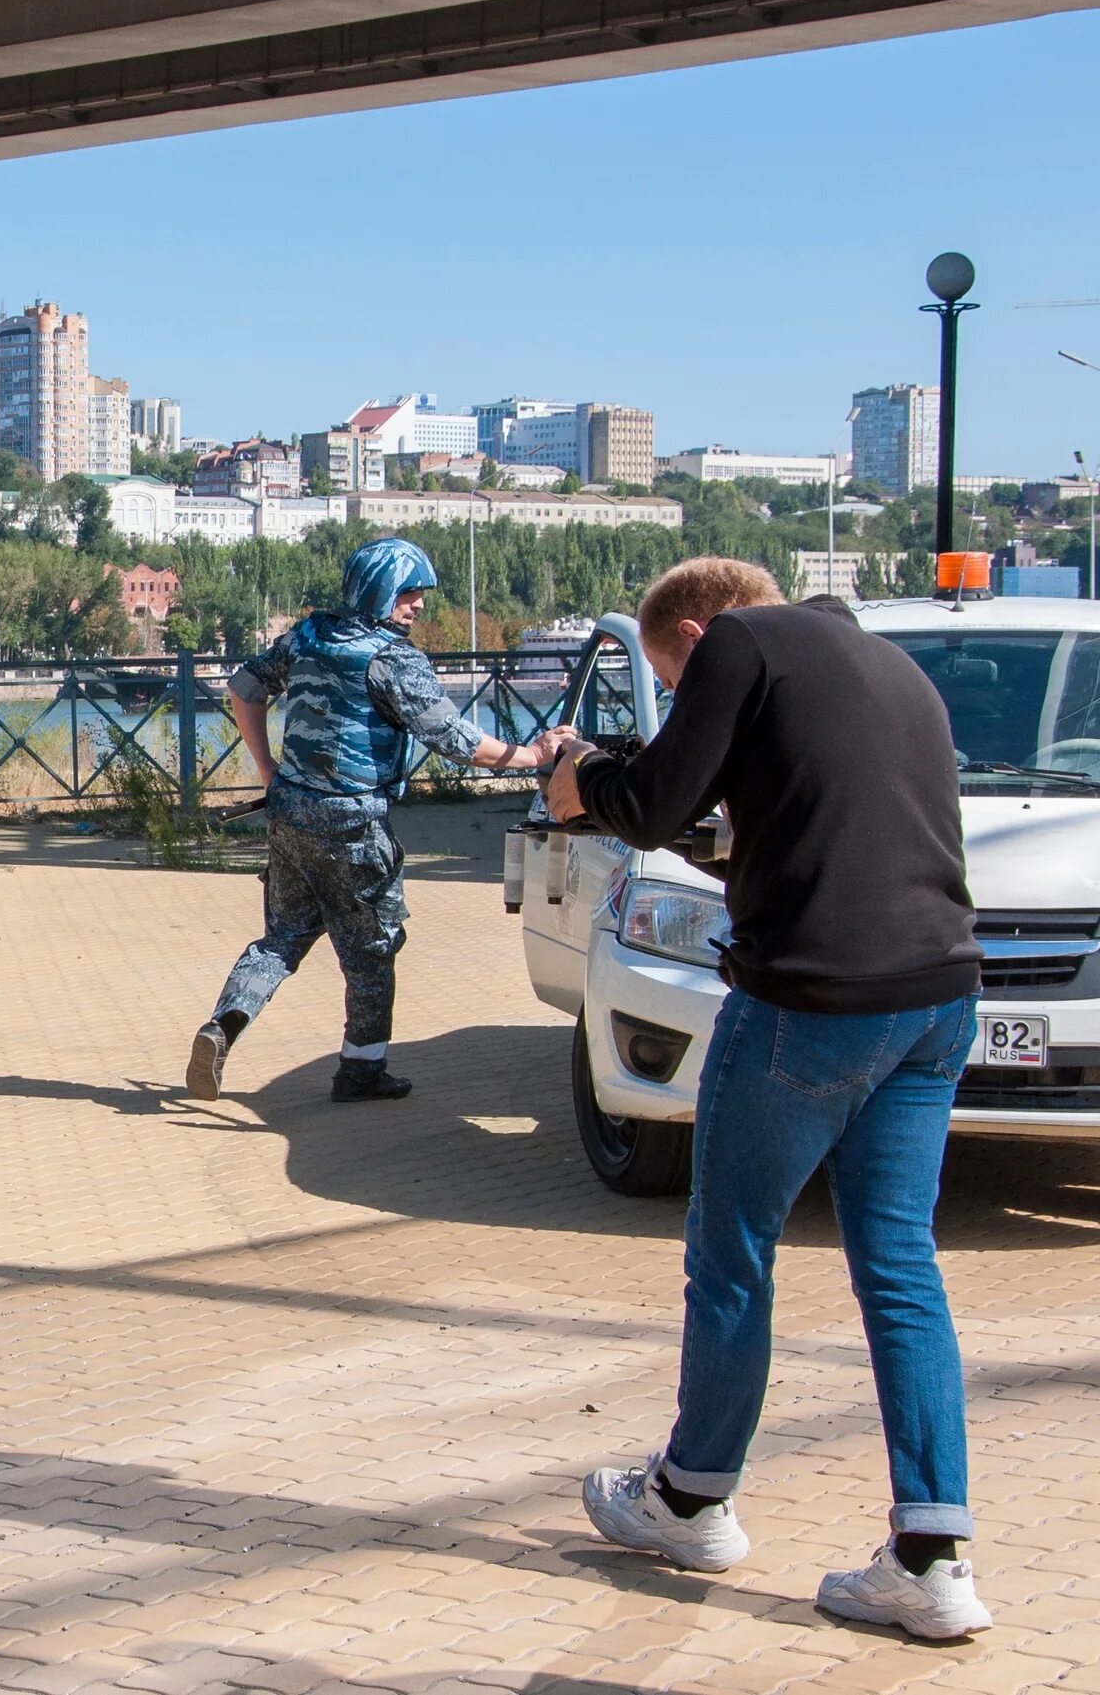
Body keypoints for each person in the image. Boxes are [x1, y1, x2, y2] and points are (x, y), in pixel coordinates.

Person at [551, 558, 990, 1640]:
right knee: (897, 1265)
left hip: (809, 999)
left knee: (733, 1248)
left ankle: (691, 1498)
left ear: (694, 638)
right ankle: (931, 1562)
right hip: (936, 996)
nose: (687, 693)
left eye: (672, 677)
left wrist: (583, 778)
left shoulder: (737, 647)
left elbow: (653, 806)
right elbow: (785, 814)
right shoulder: (889, 664)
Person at [186, 537, 570, 1104]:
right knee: (373, 946)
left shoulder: (307, 637)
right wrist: (534, 756)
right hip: (354, 823)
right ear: (379, 592)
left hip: (290, 812)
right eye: (408, 594)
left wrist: (269, 770)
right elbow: (456, 740)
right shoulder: (392, 659)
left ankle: (223, 1025)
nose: (417, 606)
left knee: (283, 938)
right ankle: (361, 1071)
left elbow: (243, 689)